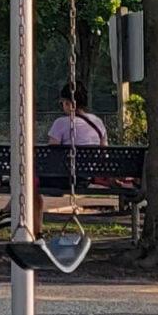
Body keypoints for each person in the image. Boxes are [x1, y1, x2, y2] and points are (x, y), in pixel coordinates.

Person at [37, 84, 108, 227]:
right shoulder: (97, 122)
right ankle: (7, 213)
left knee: (28, 182)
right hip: (85, 178)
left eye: (63, 103)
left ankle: (33, 228)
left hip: (63, 178)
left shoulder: (61, 123)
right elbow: (104, 152)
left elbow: (52, 154)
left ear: (68, 103)